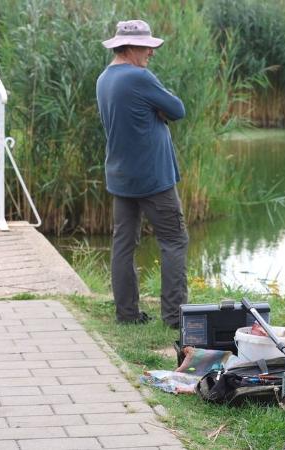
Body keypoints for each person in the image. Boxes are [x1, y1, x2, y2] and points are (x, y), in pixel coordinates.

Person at [96, 19, 188, 329]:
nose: (151, 52)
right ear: (131, 47)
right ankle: (175, 318)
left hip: (121, 176)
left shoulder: (104, 78)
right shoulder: (138, 77)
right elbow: (177, 109)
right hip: (152, 178)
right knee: (174, 241)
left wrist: (154, 110)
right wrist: (158, 111)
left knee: (123, 244)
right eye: (147, 47)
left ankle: (127, 314)